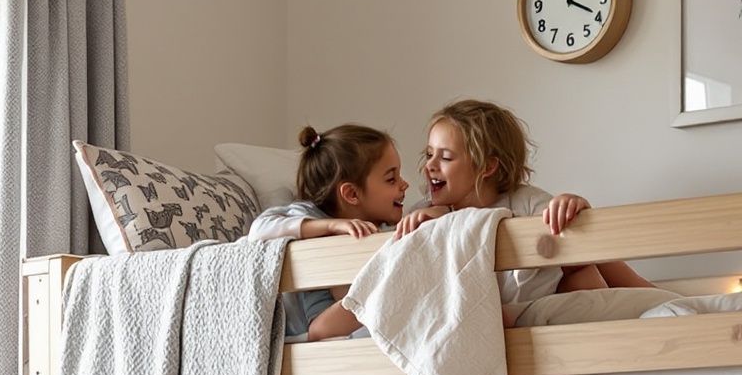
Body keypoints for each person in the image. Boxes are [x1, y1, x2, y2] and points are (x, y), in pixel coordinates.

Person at [395, 98, 649, 315]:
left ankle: (648, 298)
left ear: (488, 167)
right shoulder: (424, 212)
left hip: (536, 306)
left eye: (446, 157)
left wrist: (572, 205)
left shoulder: (526, 202)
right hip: (477, 312)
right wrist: (432, 221)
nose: (430, 165)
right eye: (429, 154)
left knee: (582, 263)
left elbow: (576, 235)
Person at [250, 123, 408, 340]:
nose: (404, 185)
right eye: (391, 179)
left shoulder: (375, 230)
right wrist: (330, 227)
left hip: (338, 324)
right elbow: (259, 230)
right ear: (352, 193)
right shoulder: (310, 214)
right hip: (309, 329)